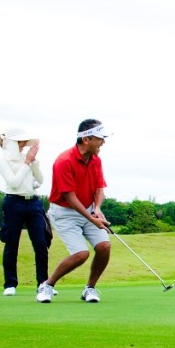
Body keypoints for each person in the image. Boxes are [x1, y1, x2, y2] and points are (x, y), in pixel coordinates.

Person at [36, 120, 112, 304]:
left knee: (104, 247)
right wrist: (93, 220)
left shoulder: (95, 160)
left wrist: (97, 209)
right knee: (81, 254)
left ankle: (90, 288)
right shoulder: (64, 161)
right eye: (100, 138)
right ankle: (47, 285)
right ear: (86, 139)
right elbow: (70, 197)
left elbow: (99, 189)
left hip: (88, 209)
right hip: (64, 213)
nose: (103, 142)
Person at [0, 127, 51, 296]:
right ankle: (10, 284)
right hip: (13, 202)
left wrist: (33, 163)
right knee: (12, 242)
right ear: (11, 143)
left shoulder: (27, 159)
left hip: (33, 202)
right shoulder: (2, 160)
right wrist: (27, 163)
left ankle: (43, 283)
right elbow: (13, 182)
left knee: (41, 242)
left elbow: (40, 180)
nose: (23, 146)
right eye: (20, 143)